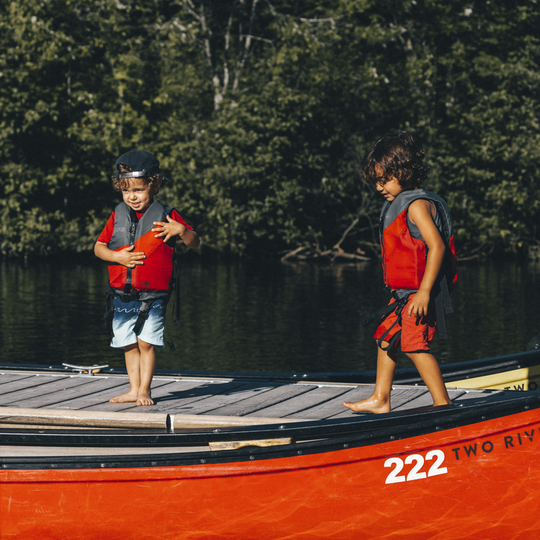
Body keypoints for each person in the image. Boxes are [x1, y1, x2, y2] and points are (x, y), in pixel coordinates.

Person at [344, 132, 457, 413]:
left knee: (414, 345)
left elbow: (437, 247)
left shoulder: (417, 205)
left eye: (385, 180)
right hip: (405, 294)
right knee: (386, 336)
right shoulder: (401, 202)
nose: (379, 187)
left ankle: (442, 404)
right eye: (377, 181)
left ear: (404, 172)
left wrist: (425, 293)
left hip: (419, 294)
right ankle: (381, 398)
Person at [95, 149, 200, 406]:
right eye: (126, 191)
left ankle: (145, 390)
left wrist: (182, 230)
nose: (132, 197)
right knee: (128, 343)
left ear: (153, 185)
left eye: (139, 190)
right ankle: (132, 389)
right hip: (122, 293)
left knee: (146, 343)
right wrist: (117, 257)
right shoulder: (117, 214)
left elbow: (195, 243)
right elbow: (98, 248)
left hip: (152, 294)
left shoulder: (167, 215)